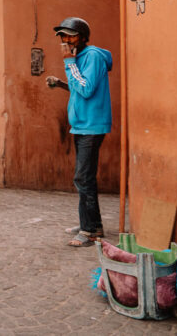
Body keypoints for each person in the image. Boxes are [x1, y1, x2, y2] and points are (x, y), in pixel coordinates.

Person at [45, 17, 113, 247]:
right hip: (82, 125)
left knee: (82, 177)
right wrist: (61, 84)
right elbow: (79, 87)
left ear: (83, 37)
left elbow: (85, 89)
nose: (65, 40)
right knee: (86, 178)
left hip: (92, 125)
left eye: (71, 35)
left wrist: (68, 63)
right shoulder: (80, 58)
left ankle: (89, 232)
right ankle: (93, 224)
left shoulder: (92, 56)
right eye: (63, 36)